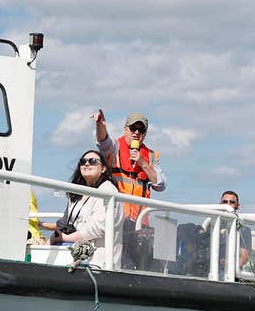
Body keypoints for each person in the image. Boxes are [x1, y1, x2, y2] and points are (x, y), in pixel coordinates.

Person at [93, 109, 166, 271]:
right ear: (125, 129)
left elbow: (160, 184)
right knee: (115, 263)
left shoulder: (151, 156)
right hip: (116, 221)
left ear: (145, 134)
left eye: (141, 130)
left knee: (141, 268)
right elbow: (103, 141)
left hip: (140, 226)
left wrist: (143, 163)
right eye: (133, 128)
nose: (136, 133)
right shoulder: (115, 148)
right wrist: (100, 125)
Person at [41, 150, 118, 249]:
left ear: (103, 168)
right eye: (83, 161)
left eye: (92, 161)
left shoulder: (108, 190)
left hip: (98, 254)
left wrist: (66, 238)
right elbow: (64, 222)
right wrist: (48, 243)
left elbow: (99, 227)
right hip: (73, 250)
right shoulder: (76, 192)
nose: (86, 164)